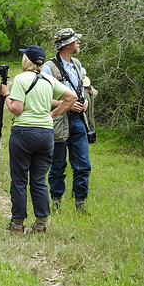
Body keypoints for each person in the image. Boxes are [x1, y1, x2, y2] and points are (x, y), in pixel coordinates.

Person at [0, 46, 77, 234]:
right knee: (39, 180)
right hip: (46, 135)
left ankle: (17, 224)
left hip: (24, 132)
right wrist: (52, 115)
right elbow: (71, 97)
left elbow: (16, 108)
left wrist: (6, 95)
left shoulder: (21, 78)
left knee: (19, 180)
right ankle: (41, 224)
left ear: (27, 60)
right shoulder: (49, 80)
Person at [42, 28, 92, 211]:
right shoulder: (49, 67)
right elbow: (44, 98)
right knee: (57, 166)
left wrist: (83, 100)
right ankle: (56, 205)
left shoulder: (77, 64)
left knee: (83, 165)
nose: (78, 43)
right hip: (58, 122)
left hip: (78, 120)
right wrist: (67, 104)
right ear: (67, 44)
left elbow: (78, 91)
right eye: (75, 40)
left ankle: (81, 204)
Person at [82, 67, 98, 143]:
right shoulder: (90, 89)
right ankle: (92, 138)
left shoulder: (84, 91)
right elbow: (96, 93)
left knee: (86, 122)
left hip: (85, 111)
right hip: (90, 112)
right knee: (90, 121)